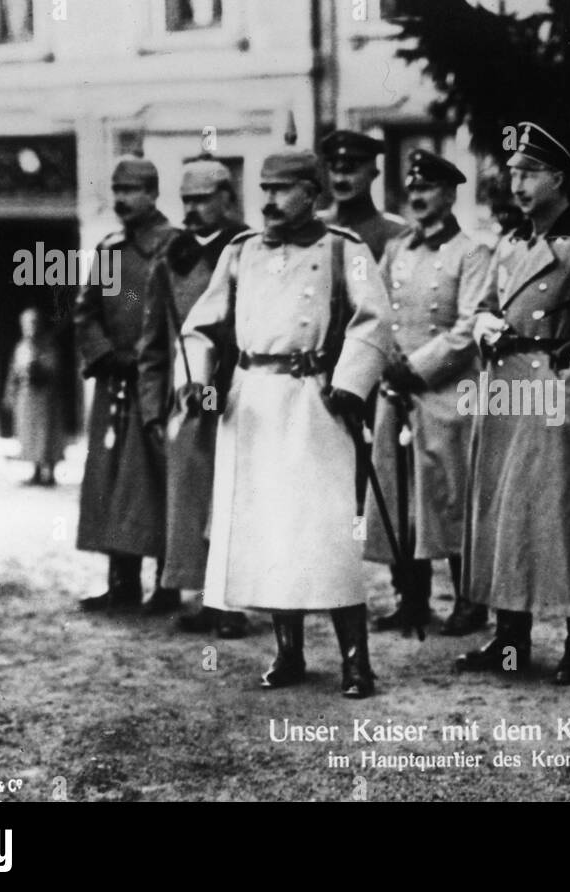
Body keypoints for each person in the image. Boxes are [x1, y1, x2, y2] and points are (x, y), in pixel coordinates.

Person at [179, 148, 392, 698]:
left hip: (314, 400)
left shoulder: (345, 248)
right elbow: (201, 325)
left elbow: (374, 319)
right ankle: (288, 653)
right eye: (264, 189)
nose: (268, 200)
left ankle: (355, 661)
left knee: (326, 533)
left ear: (313, 193)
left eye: (281, 189)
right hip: (251, 403)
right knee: (269, 527)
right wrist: (201, 380)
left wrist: (350, 382)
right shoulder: (241, 251)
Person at [456, 122, 570, 685]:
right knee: (505, 514)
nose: (518, 184)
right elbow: (480, 307)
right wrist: (485, 330)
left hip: (551, 392)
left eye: (529, 174)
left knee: (568, 516)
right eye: (513, 174)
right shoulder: (510, 242)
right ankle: (510, 641)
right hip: (505, 391)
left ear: (557, 178)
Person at [366, 149, 493, 637]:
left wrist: (416, 369)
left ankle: (469, 599)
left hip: (447, 393)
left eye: (428, 189)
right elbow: (375, 311)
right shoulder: (397, 249)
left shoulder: (472, 252)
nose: (417, 197)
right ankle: (411, 599)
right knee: (399, 499)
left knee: (451, 498)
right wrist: (385, 367)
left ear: (450, 194)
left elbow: (469, 327)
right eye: (411, 189)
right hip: (395, 393)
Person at [137, 158, 250, 635]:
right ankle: (206, 599)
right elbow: (152, 343)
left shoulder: (250, 250)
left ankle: (234, 603)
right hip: (187, 398)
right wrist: (151, 409)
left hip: (240, 394)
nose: (194, 209)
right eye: (186, 200)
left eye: (203, 199)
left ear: (227, 198)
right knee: (193, 504)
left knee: (235, 502)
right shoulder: (170, 259)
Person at [73, 155, 178, 612]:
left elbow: (188, 315)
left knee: (158, 480)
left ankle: (169, 583)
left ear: (153, 193)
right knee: (113, 477)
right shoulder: (110, 250)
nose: (121, 199)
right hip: (116, 382)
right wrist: (105, 354)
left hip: (160, 385)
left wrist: (155, 363)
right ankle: (122, 583)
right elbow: (86, 310)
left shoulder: (175, 247)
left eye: (131, 190)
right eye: (116, 190)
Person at [318, 129, 408, 261]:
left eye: (350, 171)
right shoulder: (317, 227)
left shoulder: (396, 234)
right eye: (334, 170)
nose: (339, 179)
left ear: (374, 174)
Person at [3, 308, 64, 486]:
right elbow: (13, 371)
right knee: (30, 435)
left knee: (47, 435)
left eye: (33, 323)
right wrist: (9, 393)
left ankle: (50, 473)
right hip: (26, 396)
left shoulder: (48, 346)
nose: (30, 328)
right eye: (27, 324)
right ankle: (36, 472)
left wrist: (38, 366)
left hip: (45, 396)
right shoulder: (21, 347)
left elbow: (54, 369)